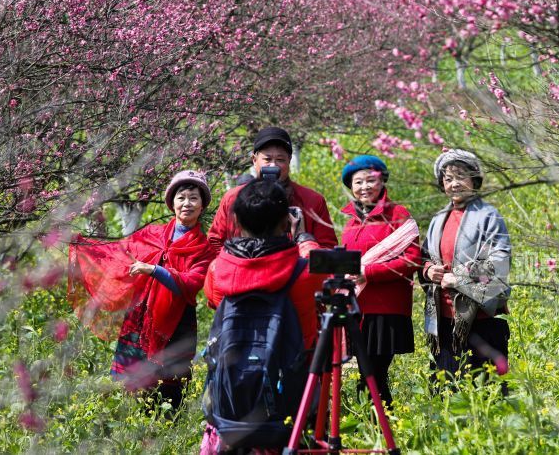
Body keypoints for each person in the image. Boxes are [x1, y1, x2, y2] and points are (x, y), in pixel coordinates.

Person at [68, 170, 217, 412]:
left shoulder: (204, 249)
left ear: (202, 205)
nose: (187, 203)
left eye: (193, 198)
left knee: (169, 393)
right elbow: (117, 254)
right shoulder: (152, 234)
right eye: (181, 197)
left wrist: (154, 270)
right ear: (172, 203)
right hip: (139, 319)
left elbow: (190, 284)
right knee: (129, 389)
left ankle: (165, 438)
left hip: (175, 326)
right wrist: (84, 246)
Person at [200, 179, 322, 454]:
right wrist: (303, 237)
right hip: (294, 394)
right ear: (284, 222)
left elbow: (212, 299)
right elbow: (320, 270)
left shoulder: (219, 270)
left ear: (239, 223)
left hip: (232, 399)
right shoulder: (305, 272)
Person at [421, 150, 511, 386]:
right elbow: (424, 256)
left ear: (474, 180)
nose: (454, 183)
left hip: (480, 320)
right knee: (446, 389)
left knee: (485, 391)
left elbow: (499, 262)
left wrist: (458, 278)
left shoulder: (488, 215)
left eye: (460, 176)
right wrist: (429, 270)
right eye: (448, 179)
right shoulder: (438, 218)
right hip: (443, 321)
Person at [338, 155, 422, 407]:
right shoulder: (351, 222)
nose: (364, 187)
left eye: (370, 180)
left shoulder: (398, 214)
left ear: (382, 181)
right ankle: (377, 427)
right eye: (358, 182)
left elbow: (412, 260)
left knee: (373, 373)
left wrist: (369, 273)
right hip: (358, 309)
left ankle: (380, 431)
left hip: (385, 310)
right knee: (367, 374)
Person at [208, 126, 336, 253]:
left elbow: (327, 247)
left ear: (289, 161)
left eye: (280, 160)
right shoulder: (233, 198)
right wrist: (235, 262)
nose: (273, 165)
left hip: (293, 270)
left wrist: (302, 243)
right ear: (254, 160)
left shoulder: (312, 201)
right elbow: (215, 241)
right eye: (267, 159)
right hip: (243, 270)